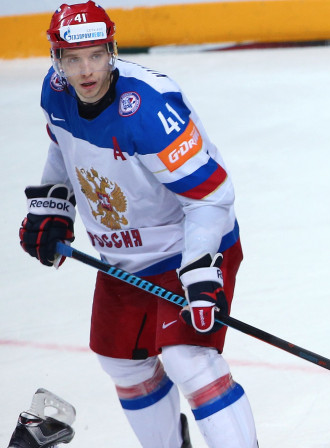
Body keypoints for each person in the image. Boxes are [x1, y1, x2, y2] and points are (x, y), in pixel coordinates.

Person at [17, 2, 258, 447]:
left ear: (111, 50)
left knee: (189, 358)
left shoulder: (148, 110)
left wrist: (201, 269)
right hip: (122, 258)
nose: (86, 70)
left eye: (95, 55)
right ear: (57, 60)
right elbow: (62, 148)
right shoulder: (55, 93)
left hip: (189, 245)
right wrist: (54, 207)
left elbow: (211, 196)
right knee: (123, 363)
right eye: (73, 59)